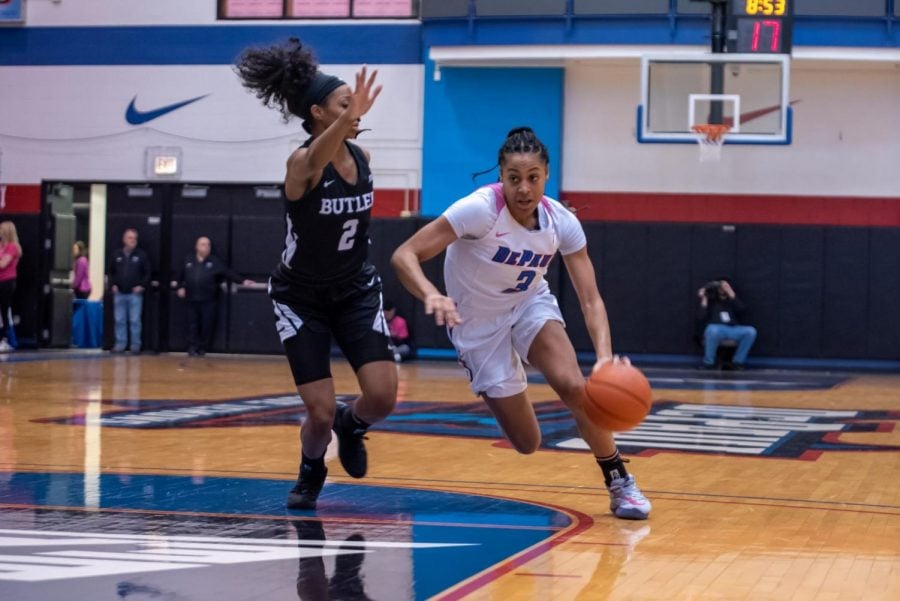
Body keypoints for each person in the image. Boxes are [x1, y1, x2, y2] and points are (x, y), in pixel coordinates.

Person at [391, 127, 652, 520]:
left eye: (533, 178)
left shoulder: (560, 220)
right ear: (501, 177)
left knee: (575, 387)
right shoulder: (478, 210)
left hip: (529, 306)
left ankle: (619, 481)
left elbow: (591, 298)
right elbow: (404, 254)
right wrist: (431, 294)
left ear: (546, 176)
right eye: (514, 178)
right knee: (528, 442)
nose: (524, 188)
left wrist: (604, 360)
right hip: (478, 325)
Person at [235, 38, 397, 510]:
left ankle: (355, 424)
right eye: (346, 105)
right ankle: (311, 468)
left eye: (356, 104)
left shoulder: (362, 160)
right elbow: (314, 158)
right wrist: (347, 120)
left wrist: (347, 119)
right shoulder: (300, 163)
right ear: (319, 114)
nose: (357, 111)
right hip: (300, 296)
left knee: (383, 397)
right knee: (320, 412)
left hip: (354, 289)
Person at [173, 236, 254, 356]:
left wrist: (242, 281)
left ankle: (202, 347)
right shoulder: (188, 260)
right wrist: (179, 287)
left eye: (208, 245)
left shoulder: (214, 261)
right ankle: (192, 347)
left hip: (208, 299)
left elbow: (228, 273)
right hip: (191, 298)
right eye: (203, 244)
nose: (206, 247)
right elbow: (180, 276)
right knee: (192, 324)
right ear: (197, 246)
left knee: (207, 324)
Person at [696, 278, 757, 370]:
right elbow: (700, 316)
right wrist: (704, 298)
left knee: (751, 331)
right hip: (716, 329)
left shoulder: (732, 300)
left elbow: (741, 310)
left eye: (724, 286)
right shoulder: (712, 301)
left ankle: (738, 362)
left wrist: (729, 291)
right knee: (712, 330)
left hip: (733, 329)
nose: (722, 288)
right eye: (720, 287)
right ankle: (708, 362)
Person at [107, 228, 151, 354]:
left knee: (135, 321)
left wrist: (142, 285)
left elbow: (147, 273)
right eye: (130, 238)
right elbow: (110, 271)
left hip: (134, 294)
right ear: (124, 239)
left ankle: (135, 346)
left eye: (134, 238)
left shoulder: (141, 255)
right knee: (119, 320)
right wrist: (112, 284)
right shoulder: (116, 255)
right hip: (119, 293)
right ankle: (120, 344)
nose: (133, 240)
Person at [0, 221, 22, 352]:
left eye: (1, 228)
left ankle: (7, 340)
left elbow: (3, 264)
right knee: (2, 312)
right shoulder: (2, 246)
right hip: (1, 281)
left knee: (4, 311)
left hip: (7, 281)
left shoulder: (12, 247)